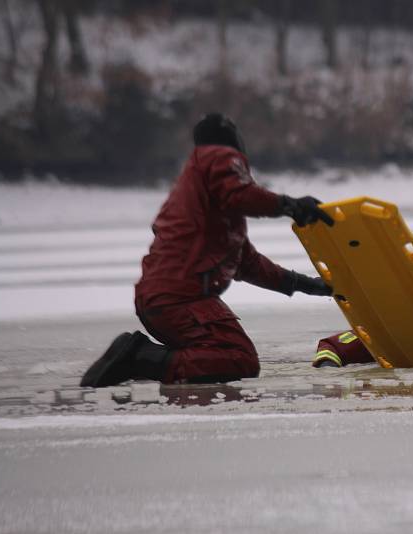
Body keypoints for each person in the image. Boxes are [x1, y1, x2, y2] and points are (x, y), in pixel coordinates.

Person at [81, 113, 334, 387]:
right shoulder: (217, 156)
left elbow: (246, 263)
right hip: (180, 298)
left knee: (231, 356)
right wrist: (290, 205)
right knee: (237, 358)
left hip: (163, 297)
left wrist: (309, 285)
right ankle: (140, 357)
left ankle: (141, 359)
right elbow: (239, 193)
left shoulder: (206, 203)